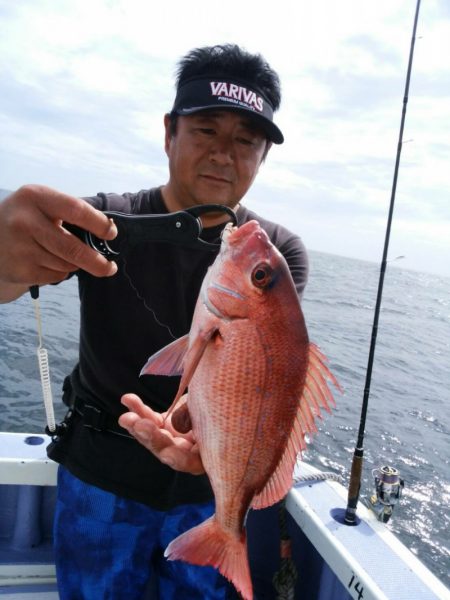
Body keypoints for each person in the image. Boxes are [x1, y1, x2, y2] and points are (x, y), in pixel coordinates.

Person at [0, 44, 309, 599]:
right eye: (206, 131)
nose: (224, 154)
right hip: (98, 476)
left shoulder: (277, 254)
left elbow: (269, 380)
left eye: (245, 140)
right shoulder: (103, 221)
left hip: (209, 491)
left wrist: (200, 428)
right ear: (169, 133)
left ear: (263, 156)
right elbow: (7, 283)